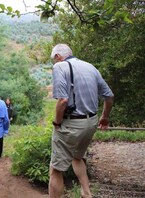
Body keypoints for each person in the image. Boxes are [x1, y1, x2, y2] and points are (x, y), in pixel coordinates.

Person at [49, 44, 114, 198]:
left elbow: (63, 101)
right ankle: (86, 193)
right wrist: (105, 117)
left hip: (71, 125)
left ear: (58, 56)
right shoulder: (90, 67)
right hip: (91, 123)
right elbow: (109, 96)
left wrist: (57, 123)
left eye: (53, 60)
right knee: (77, 157)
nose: (54, 63)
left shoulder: (60, 67)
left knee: (56, 170)